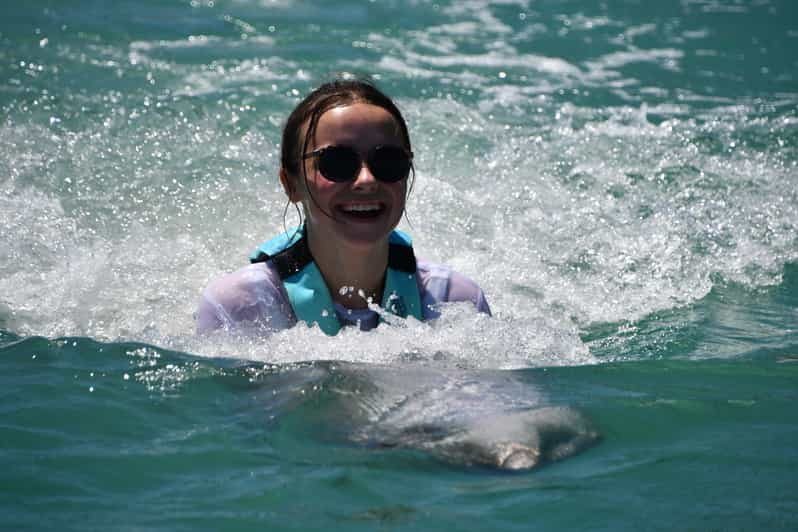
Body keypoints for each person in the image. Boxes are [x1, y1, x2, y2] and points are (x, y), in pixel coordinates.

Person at [196, 78, 490, 336]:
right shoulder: (239, 307)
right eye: (337, 163)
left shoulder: (454, 303)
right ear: (291, 184)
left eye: (388, 161)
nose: (366, 179)